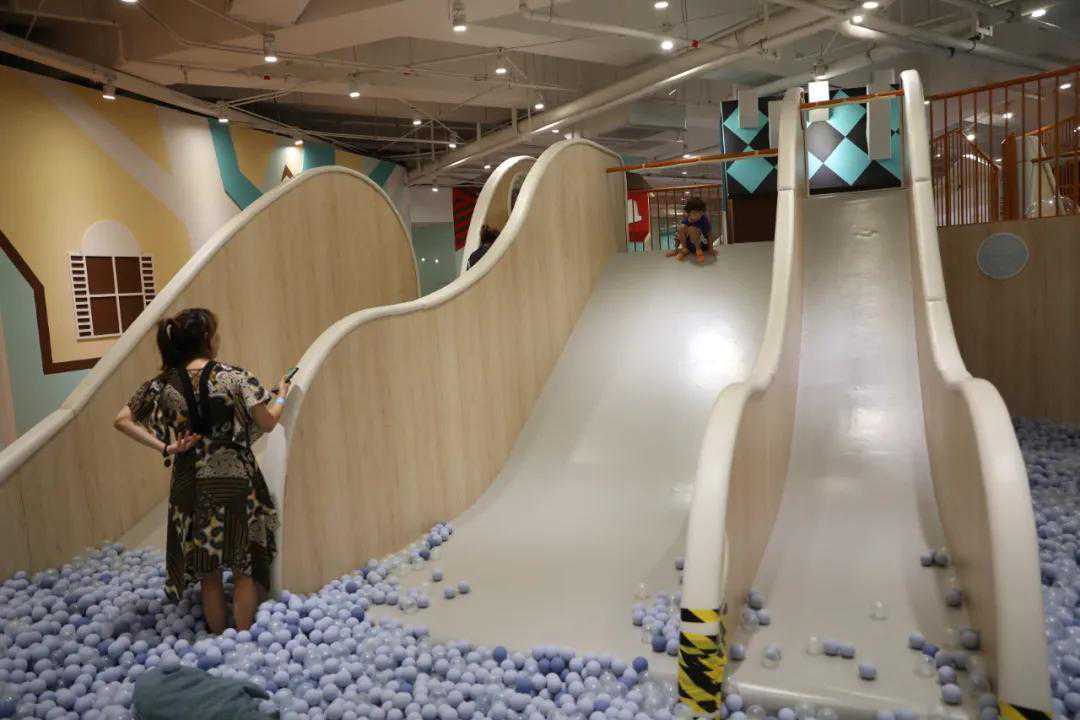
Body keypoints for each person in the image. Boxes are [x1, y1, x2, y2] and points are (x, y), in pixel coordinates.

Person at [113, 308, 293, 634]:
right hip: (235, 480)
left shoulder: (162, 384)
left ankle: (217, 637)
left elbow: (122, 420)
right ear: (207, 338)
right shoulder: (235, 376)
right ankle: (241, 637)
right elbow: (267, 423)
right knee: (243, 566)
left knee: (208, 574)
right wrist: (281, 396)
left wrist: (166, 447)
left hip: (190, 483)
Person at [666, 197, 714, 264]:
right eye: (694, 213)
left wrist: (711, 249)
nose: (698, 215)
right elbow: (679, 235)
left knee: (692, 229)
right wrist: (676, 248)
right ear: (689, 213)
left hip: (702, 245)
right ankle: (684, 249)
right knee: (680, 228)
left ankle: (698, 251)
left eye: (700, 213)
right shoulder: (686, 221)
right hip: (690, 246)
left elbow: (709, 234)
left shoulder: (704, 220)